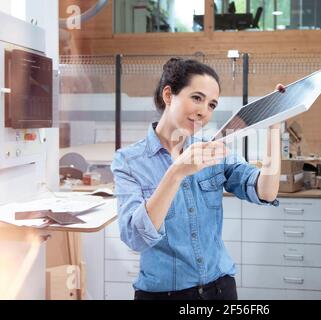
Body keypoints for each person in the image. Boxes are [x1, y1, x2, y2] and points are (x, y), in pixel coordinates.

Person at [111, 57, 284, 300]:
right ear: (169, 95)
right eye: (197, 98)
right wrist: (176, 171)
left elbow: (267, 191)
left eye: (212, 105)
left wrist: (273, 127)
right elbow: (136, 238)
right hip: (164, 295)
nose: (204, 111)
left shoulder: (212, 151)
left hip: (220, 290)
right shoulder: (128, 161)